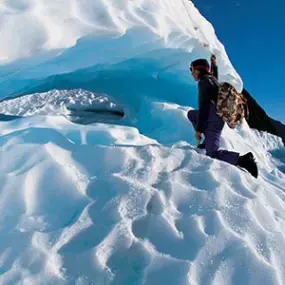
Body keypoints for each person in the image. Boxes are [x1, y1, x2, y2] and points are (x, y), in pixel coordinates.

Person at [187, 56, 258, 178]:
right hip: (215, 116)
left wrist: (198, 130)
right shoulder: (212, 80)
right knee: (191, 114)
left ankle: (244, 160)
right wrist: (214, 64)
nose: (192, 73)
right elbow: (215, 76)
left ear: (198, 70)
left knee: (212, 153)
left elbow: (203, 107)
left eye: (192, 70)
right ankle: (207, 141)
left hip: (214, 119)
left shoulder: (203, 83)